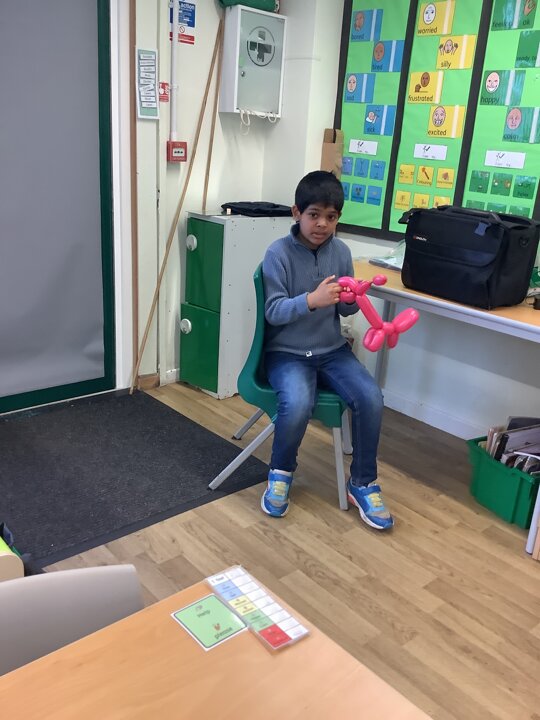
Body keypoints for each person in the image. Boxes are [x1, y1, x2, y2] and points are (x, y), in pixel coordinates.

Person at [261, 170, 393, 530]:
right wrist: (312, 300)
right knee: (297, 403)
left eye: (331, 217)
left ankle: (362, 482)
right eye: (314, 214)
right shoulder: (277, 254)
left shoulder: (341, 252)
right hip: (287, 353)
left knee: (370, 397)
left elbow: (346, 311)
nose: (322, 224)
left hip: (332, 350)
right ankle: (281, 473)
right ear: (296, 213)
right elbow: (273, 312)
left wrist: (353, 298)